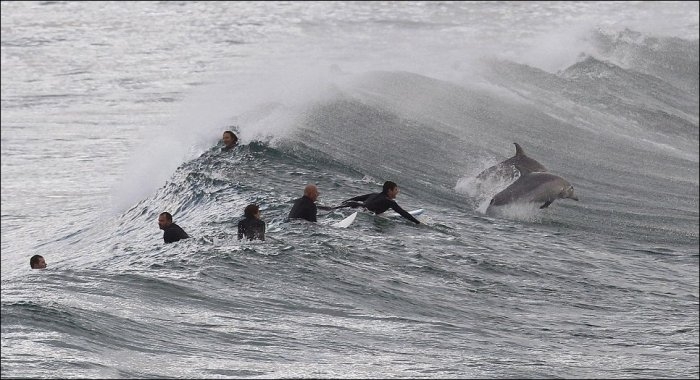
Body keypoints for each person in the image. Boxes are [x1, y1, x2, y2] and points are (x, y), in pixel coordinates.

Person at [340, 181, 420, 224]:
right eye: (396, 189)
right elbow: (403, 213)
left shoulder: (374, 194)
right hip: (360, 210)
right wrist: (417, 223)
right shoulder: (390, 202)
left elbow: (356, 198)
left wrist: (343, 203)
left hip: (351, 205)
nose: (397, 191)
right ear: (389, 190)